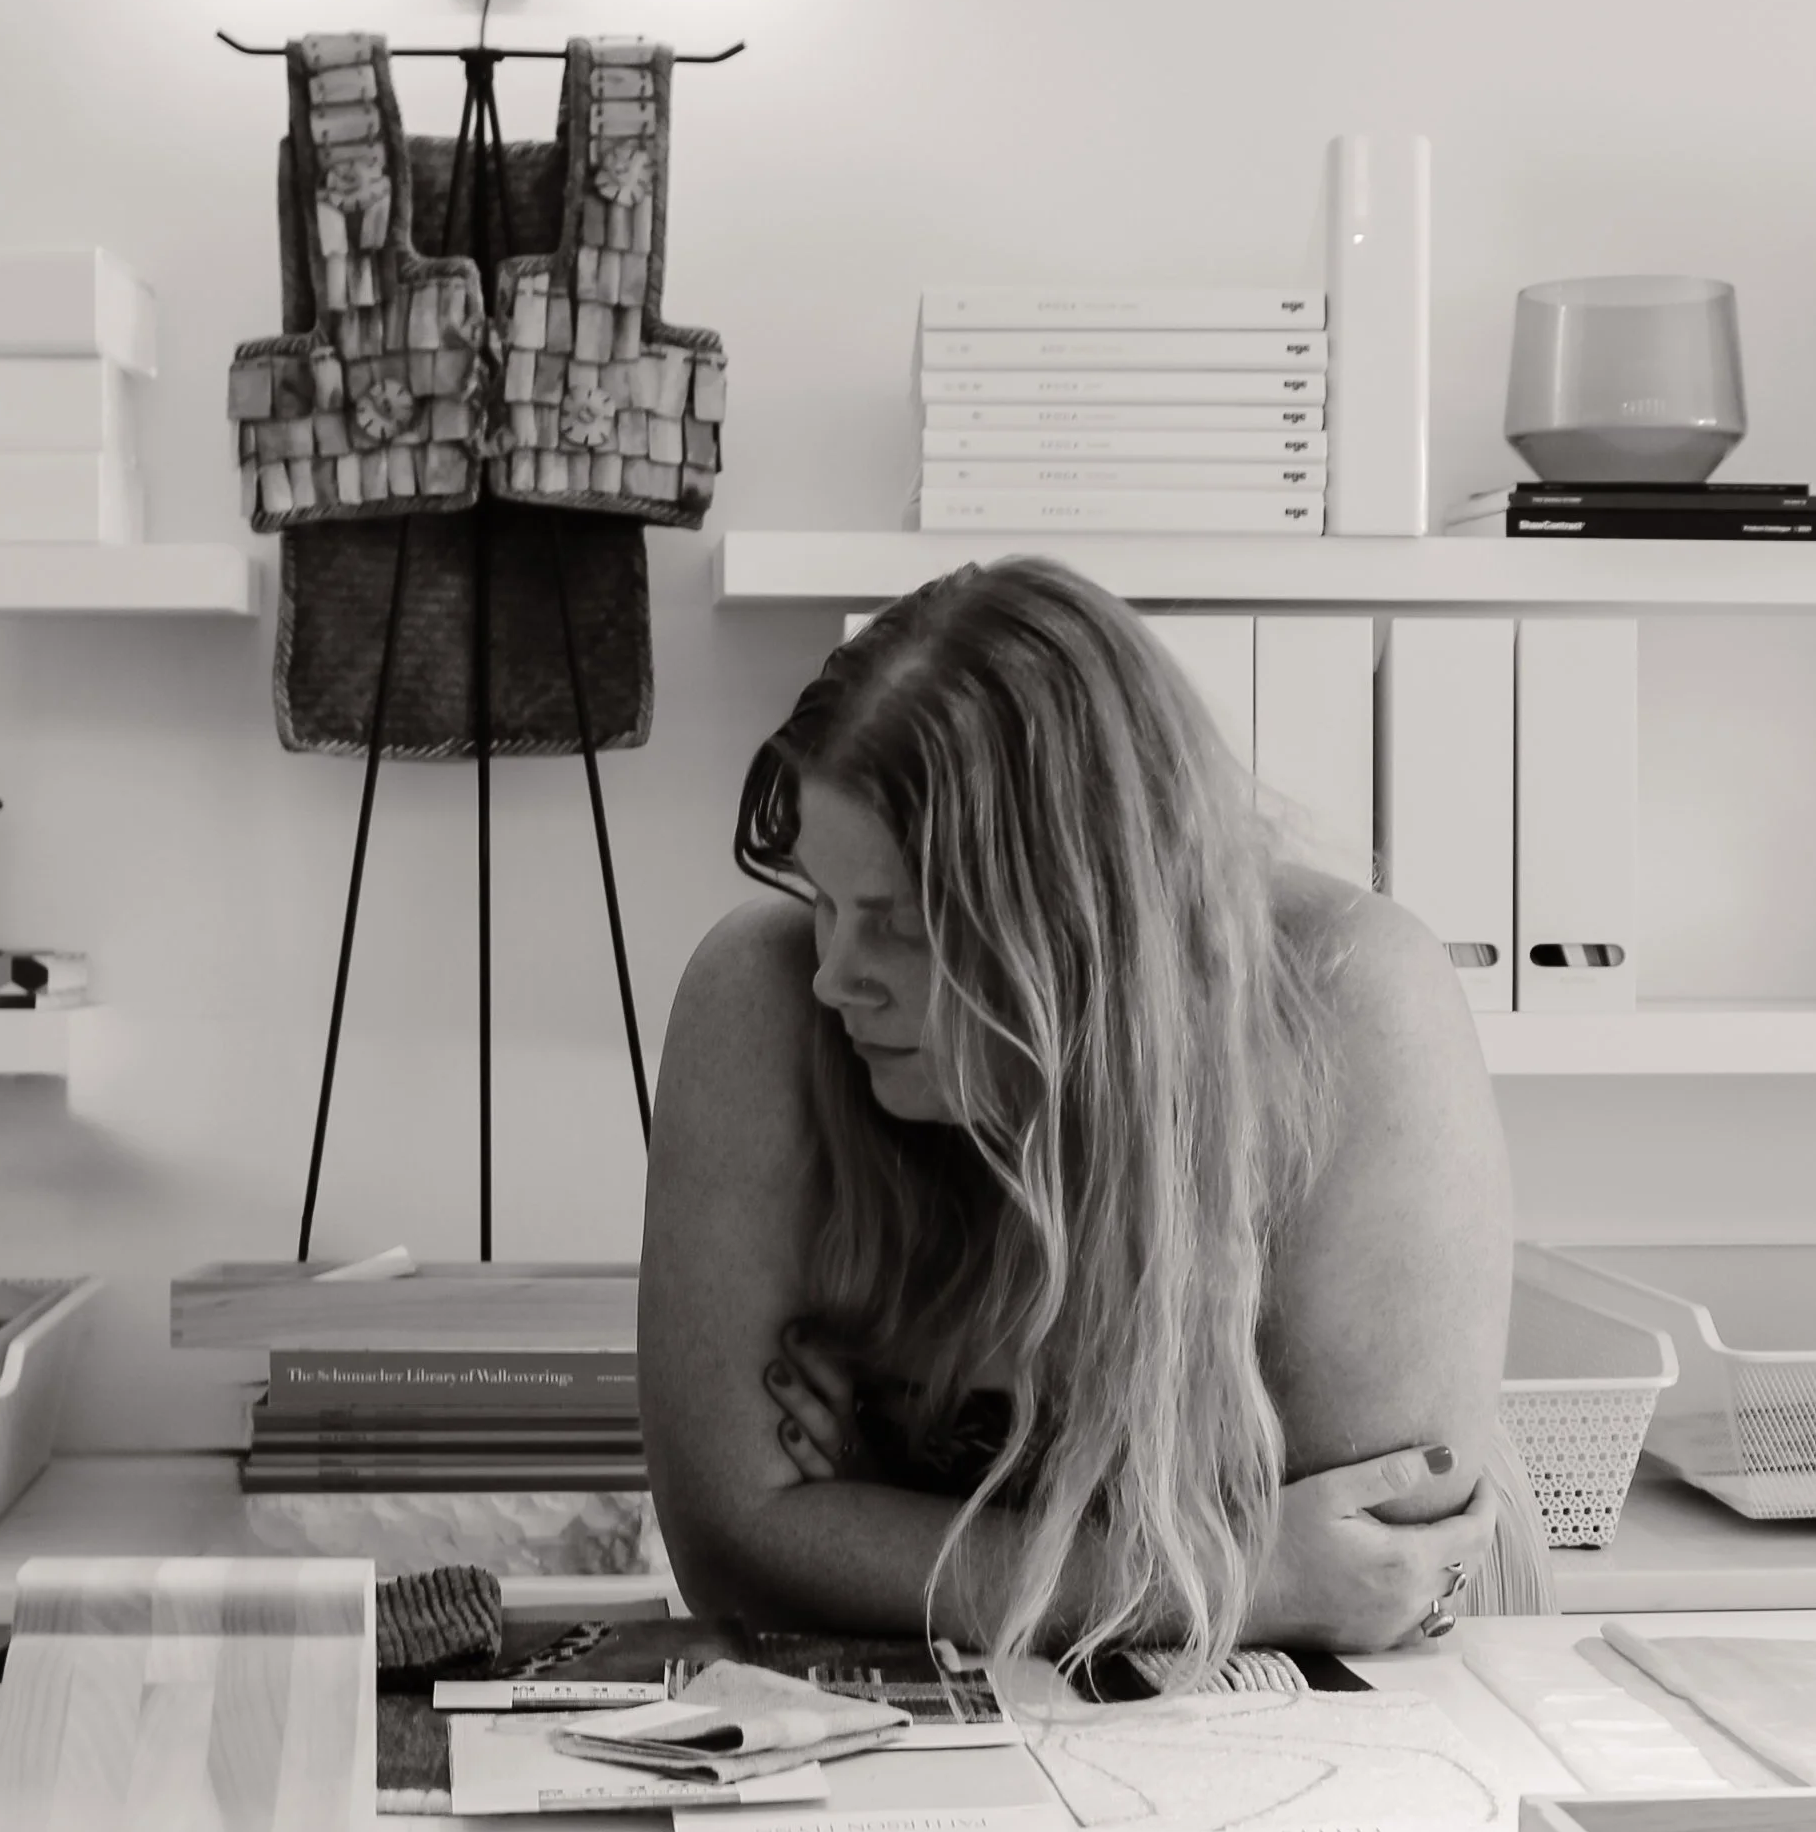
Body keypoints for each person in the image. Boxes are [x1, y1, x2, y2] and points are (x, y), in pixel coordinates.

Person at [639, 557, 1546, 1668]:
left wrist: (878, 1521)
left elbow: (1377, 1577)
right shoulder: (761, 997)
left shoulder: (1352, 996)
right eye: (823, 899)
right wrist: (1244, 1576)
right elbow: (736, 1550)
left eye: (904, 925)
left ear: (1083, 923)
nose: (835, 976)